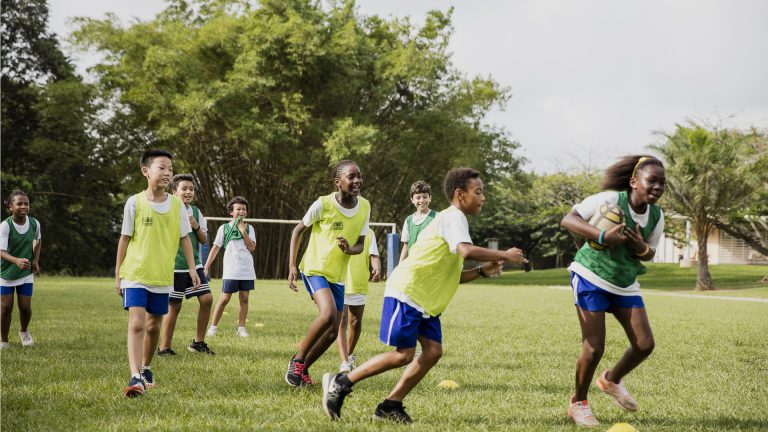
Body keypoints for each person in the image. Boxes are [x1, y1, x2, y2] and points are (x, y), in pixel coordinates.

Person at [321, 167, 528, 423]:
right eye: (478, 192)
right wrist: (505, 255)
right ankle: (341, 382)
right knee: (403, 354)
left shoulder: (454, 221)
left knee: (432, 351)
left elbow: (454, 274)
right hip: (408, 292)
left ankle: (390, 405)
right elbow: (465, 251)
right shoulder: (453, 217)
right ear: (460, 194)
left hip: (425, 301)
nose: (483, 197)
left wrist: (482, 272)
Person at [560, 155, 665, 427]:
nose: (657, 187)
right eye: (651, 181)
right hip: (590, 276)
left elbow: (648, 253)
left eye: (661, 183)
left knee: (644, 345)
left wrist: (641, 247)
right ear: (633, 182)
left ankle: (611, 380)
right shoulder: (608, 200)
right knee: (594, 347)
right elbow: (568, 220)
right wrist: (603, 236)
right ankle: (578, 403)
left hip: (624, 282)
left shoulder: (657, 215)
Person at [115, 150, 200, 398]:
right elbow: (124, 238)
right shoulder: (134, 202)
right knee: (138, 323)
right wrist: (118, 273)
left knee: (154, 327)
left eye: (170, 169)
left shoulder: (177, 205)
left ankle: (146, 367)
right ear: (146, 171)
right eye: (162, 168)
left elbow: (185, 237)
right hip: (135, 273)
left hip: (163, 276)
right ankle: (134, 376)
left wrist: (193, 268)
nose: (167, 173)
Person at [285, 160, 370, 387]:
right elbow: (297, 230)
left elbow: (361, 244)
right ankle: (297, 361)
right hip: (314, 268)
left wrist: (349, 249)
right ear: (337, 182)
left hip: (338, 276)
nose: (357, 181)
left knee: (333, 332)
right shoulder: (323, 204)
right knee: (328, 313)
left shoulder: (365, 207)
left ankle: (302, 370)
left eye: (359, 176)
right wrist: (292, 266)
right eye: (351, 177)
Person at [157, 174, 215, 356]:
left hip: (194, 264)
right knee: (174, 305)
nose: (188, 192)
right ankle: (164, 348)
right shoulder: (167, 210)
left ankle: (198, 343)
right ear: (174, 192)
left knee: (207, 299)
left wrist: (196, 226)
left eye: (191, 189)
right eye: (184, 189)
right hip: (174, 265)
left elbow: (204, 239)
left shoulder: (196, 212)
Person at [204, 196, 256, 338]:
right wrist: (206, 267)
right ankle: (213, 327)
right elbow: (215, 248)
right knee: (225, 298)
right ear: (231, 212)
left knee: (244, 298)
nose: (241, 211)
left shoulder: (250, 228)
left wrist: (243, 231)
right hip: (231, 269)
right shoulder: (224, 228)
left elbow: (252, 248)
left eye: (243, 209)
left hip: (246, 269)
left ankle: (241, 328)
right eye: (238, 209)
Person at [1, 190, 42, 350]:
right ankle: (3, 340)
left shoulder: (34, 223)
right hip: (6, 273)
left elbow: (37, 241)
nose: (23, 206)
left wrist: (36, 260)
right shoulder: (5, 226)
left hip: (25, 273)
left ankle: (24, 332)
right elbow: (1, 251)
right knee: (5, 308)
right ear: (11, 207)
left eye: (26, 203)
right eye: (19, 204)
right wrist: (16, 260)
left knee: (25, 308)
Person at [337, 230, 381, 373]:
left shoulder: (369, 233)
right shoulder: (341, 229)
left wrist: (377, 268)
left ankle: (349, 355)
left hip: (358, 283)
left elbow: (374, 255)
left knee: (355, 322)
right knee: (341, 322)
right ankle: (344, 362)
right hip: (338, 281)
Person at [399, 181, 436, 262]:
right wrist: (399, 266)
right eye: (418, 197)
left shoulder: (437, 217)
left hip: (431, 263)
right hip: (414, 263)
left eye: (425, 197)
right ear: (412, 200)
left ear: (430, 198)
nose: (422, 200)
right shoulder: (408, 220)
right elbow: (406, 246)